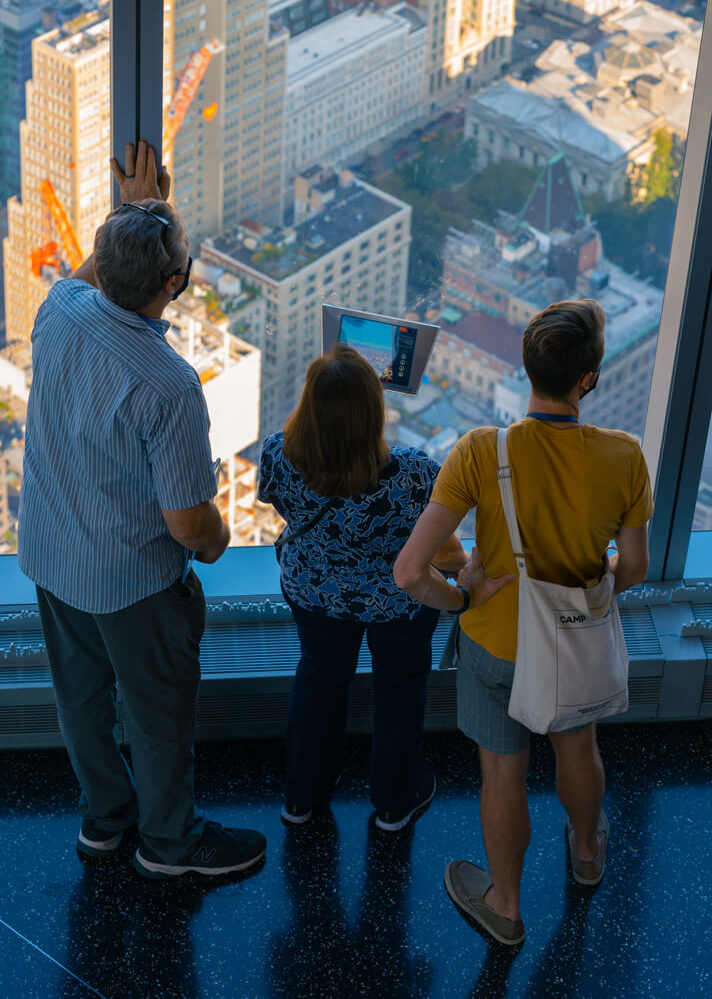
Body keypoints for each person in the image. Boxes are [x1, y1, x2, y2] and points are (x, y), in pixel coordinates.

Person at [18, 141, 266, 880]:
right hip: (132, 583)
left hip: (54, 557)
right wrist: (220, 541)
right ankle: (170, 844)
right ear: (177, 282)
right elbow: (191, 524)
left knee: (82, 701)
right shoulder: (168, 383)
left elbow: (101, 267)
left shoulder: (59, 309)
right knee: (157, 718)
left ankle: (106, 820)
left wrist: (140, 208)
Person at [394, 299, 652, 944]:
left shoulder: (482, 450)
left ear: (526, 365)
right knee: (578, 748)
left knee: (502, 774)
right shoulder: (623, 455)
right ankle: (587, 851)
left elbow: (409, 572)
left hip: (494, 645)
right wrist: (594, 592)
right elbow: (636, 568)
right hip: (572, 643)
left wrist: (463, 598)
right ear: (588, 379)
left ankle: (506, 907)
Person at [258, 345, 512, 832]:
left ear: (308, 404)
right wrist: (463, 577)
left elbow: (278, 504)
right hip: (400, 602)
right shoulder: (412, 472)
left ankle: (301, 797)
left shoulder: (278, 453)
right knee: (399, 691)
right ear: (376, 412)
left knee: (318, 681)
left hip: (315, 592)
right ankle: (394, 804)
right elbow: (439, 550)